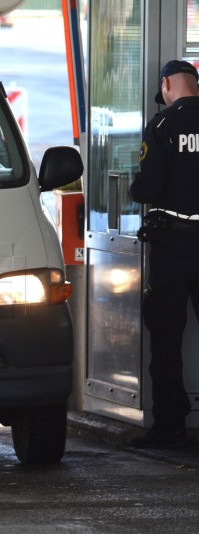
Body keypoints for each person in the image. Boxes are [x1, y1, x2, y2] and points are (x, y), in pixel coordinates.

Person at [129, 59, 199, 448]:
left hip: (174, 243)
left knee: (167, 336)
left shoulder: (162, 125)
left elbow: (148, 190)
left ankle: (170, 426)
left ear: (167, 84)